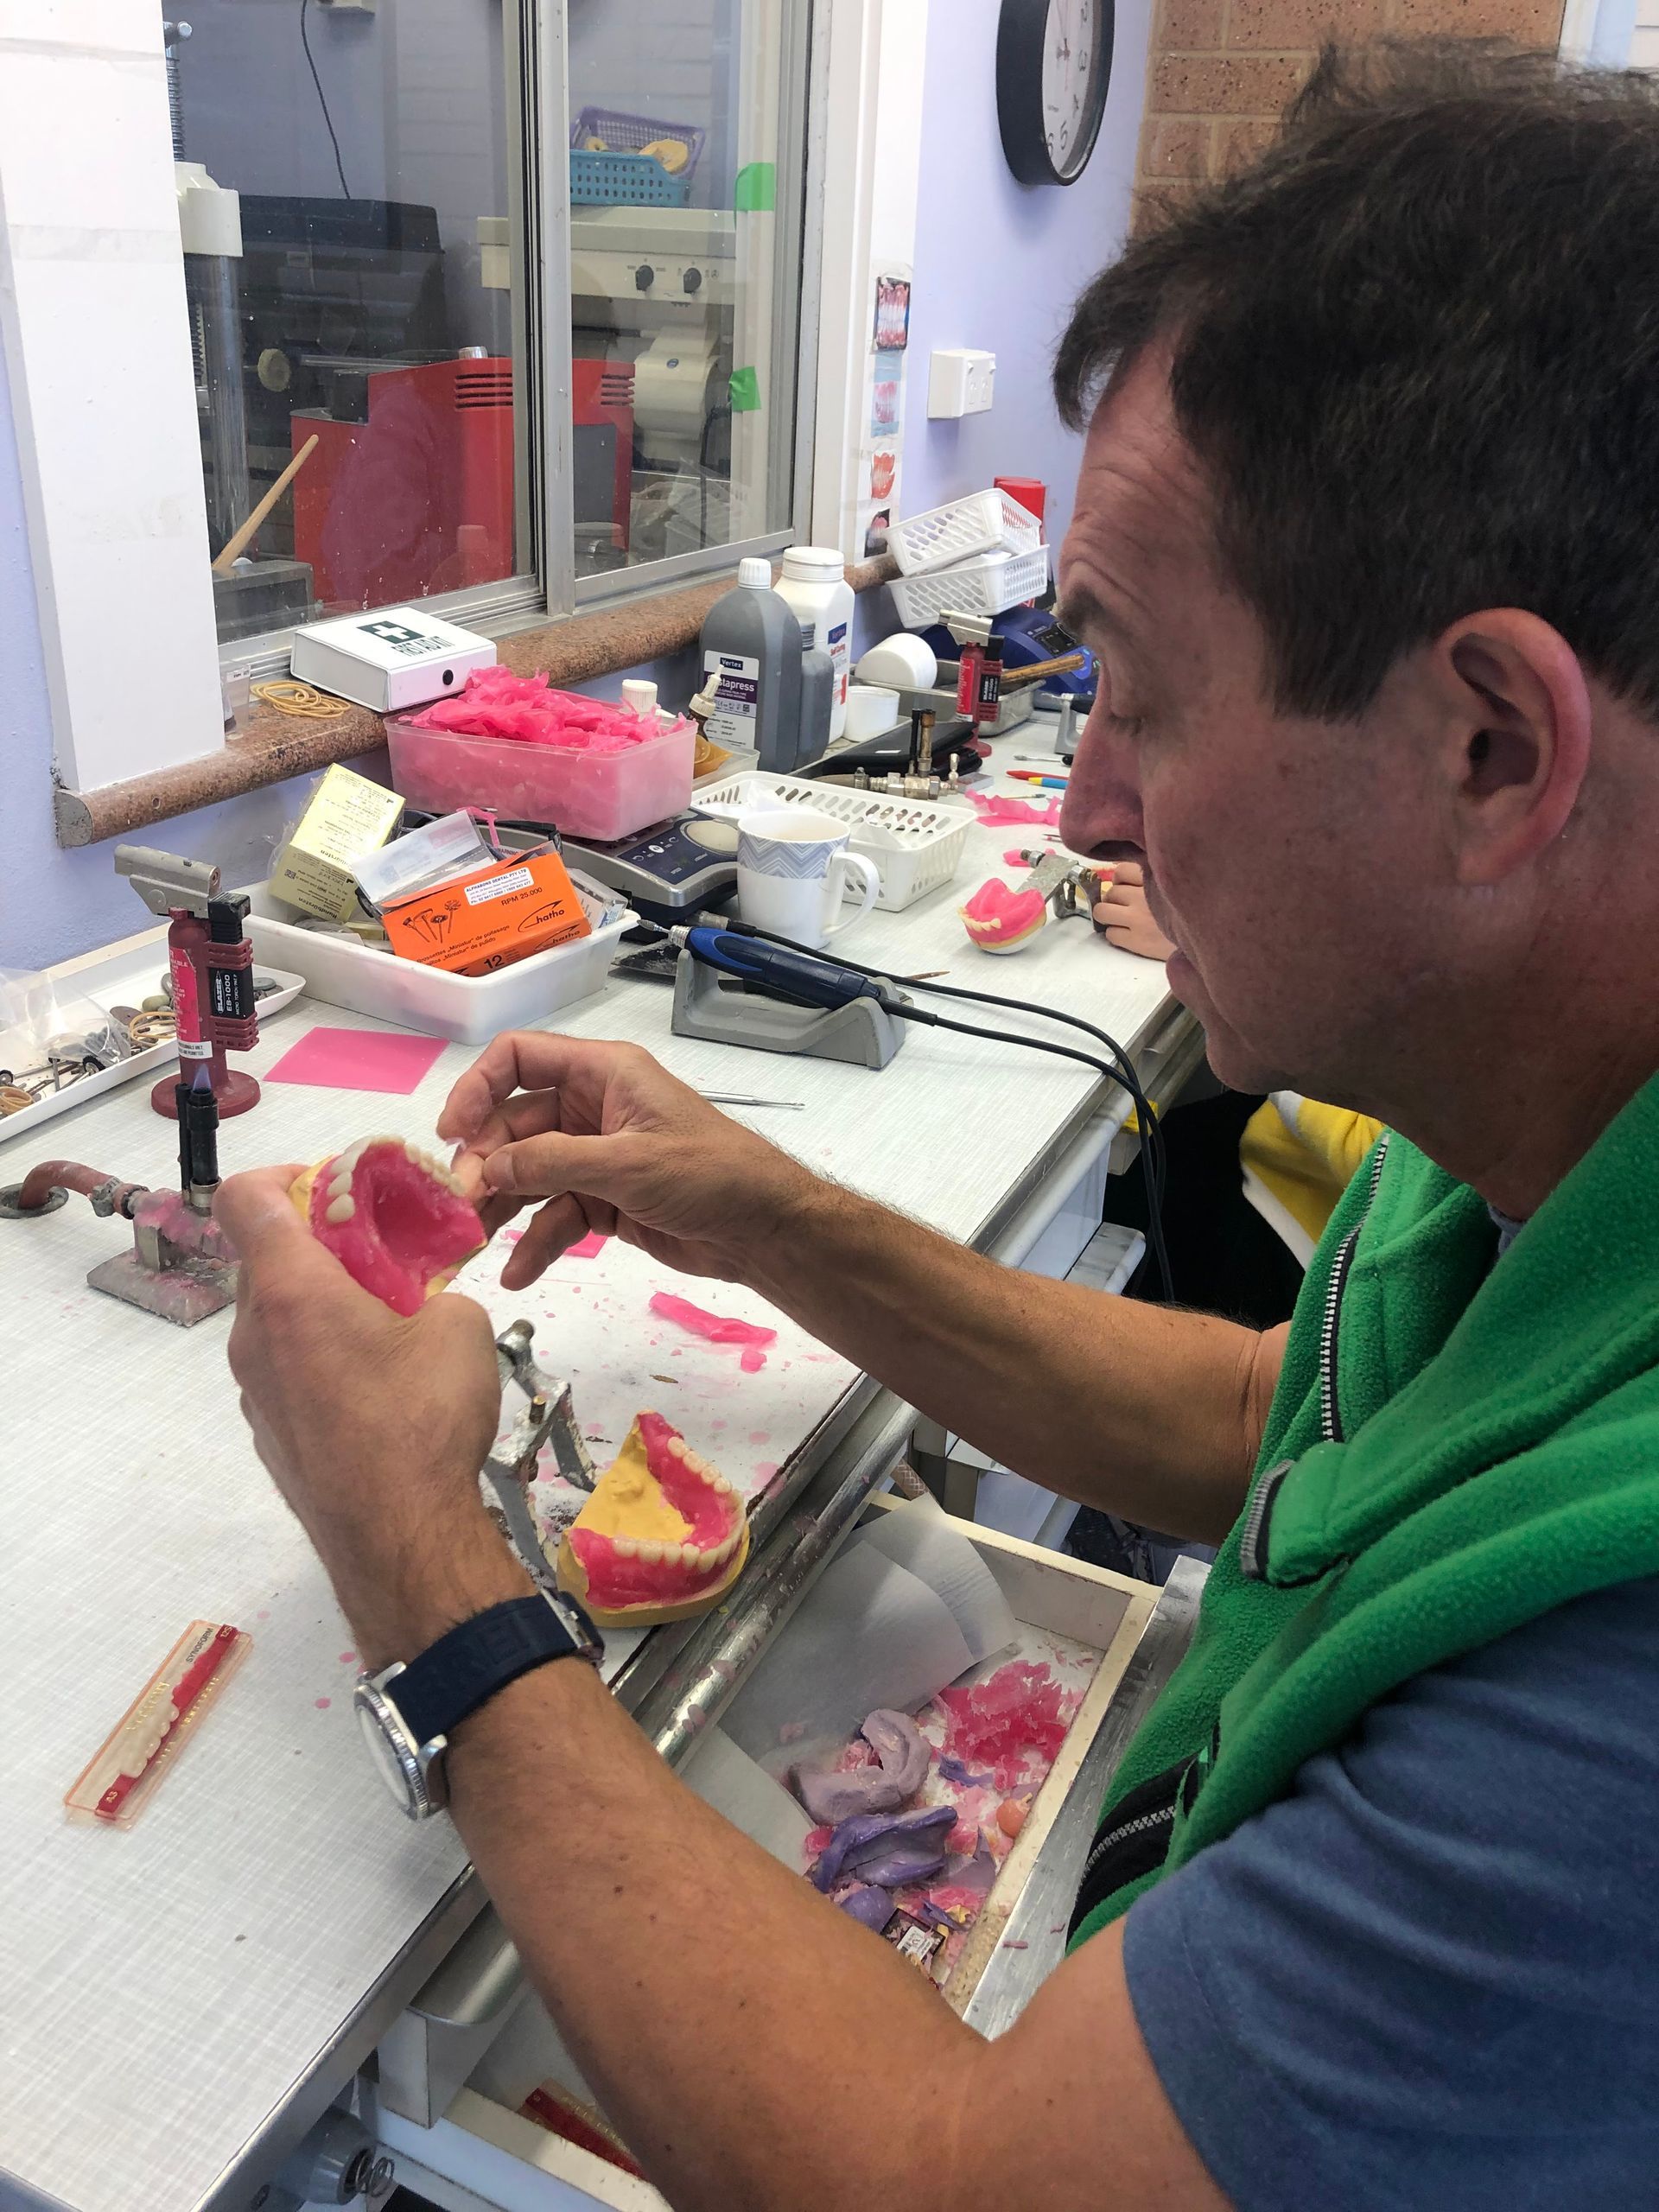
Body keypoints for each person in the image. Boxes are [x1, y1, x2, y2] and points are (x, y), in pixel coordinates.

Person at [222, 41, 1659, 2207]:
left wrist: (418, 1552)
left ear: (1492, 751)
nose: (1081, 807)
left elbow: (962, 2180)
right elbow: (1284, 1421)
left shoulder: (1614, 1692)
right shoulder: (1535, 1149)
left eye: (1141, 697)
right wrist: (771, 1213)